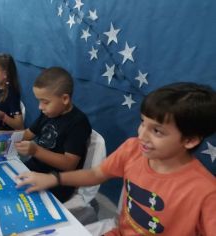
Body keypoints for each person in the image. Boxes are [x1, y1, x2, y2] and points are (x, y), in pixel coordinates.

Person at [17, 82, 216, 235]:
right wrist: (54, 178)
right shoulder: (133, 149)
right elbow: (97, 173)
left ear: (189, 140)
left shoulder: (206, 192)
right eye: (142, 123)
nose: (142, 135)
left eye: (157, 131)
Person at [14, 67, 92, 203]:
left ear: (65, 98)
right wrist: (0, 135)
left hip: (57, 183)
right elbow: (27, 134)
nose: (40, 107)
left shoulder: (78, 123)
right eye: (39, 101)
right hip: (33, 169)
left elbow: (69, 164)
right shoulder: (48, 113)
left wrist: (35, 150)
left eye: (45, 102)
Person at [0, 54, 24, 131]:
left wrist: (3, 116)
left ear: (5, 74)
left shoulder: (12, 94)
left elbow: (20, 126)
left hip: (4, 136)